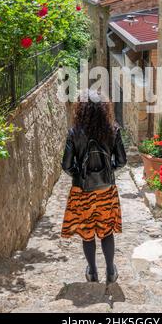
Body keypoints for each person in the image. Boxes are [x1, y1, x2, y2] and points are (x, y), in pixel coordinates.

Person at [61, 91, 127, 283]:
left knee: (87, 233)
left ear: (81, 110)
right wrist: (107, 171)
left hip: (83, 192)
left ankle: (92, 272)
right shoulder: (113, 130)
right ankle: (110, 272)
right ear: (104, 109)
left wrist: (80, 175)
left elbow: (66, 165)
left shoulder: (74, 133)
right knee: (107, 232)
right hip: (106, 190)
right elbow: (122, 161)